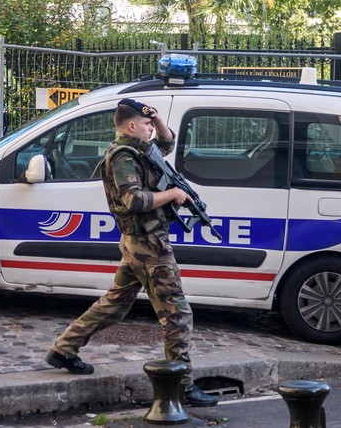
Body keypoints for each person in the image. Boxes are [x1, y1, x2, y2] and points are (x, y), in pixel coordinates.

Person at [45, 98, 219, 407]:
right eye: (147, 124)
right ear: (130, 126)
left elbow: (167, 143)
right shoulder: (123, 156)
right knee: (178, 315)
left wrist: (158, 119)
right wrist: (173, 194)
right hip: (147, 245)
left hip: (141, 242)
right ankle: (182, 385)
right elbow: (134, 201)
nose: (152, 128)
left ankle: (64, 348)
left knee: (115, 304)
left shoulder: (143, 150)